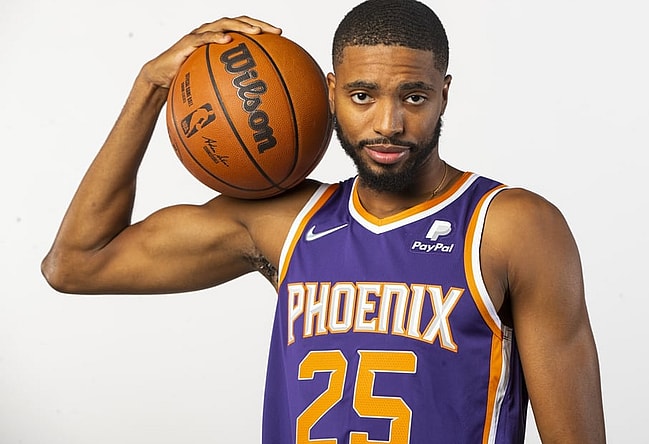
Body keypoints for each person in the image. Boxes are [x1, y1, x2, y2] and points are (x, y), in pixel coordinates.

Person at [42, 0, 606, 442]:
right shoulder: (287, 223)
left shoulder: (510, 227)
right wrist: (149, 88)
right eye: (363, 95)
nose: (388, 123)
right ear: (332, 94)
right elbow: (75, 263)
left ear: (444, 95)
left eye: (414, 96)